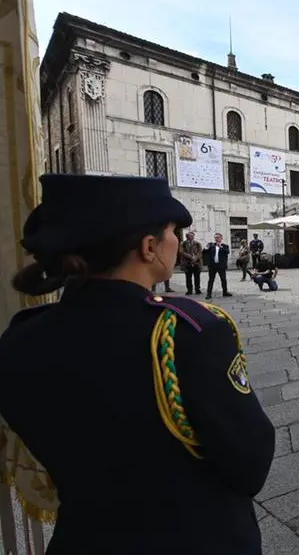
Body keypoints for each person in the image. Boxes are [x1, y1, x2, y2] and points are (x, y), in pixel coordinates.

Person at [0, 174, 275, 553]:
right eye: (173, 230)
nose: (178, 240)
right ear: (149, 247)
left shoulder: (20, 338)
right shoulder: (189, 332)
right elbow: (250, 462)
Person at [204, 233, 232, 299]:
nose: (217, 239)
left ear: (221, 238)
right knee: (211, 280)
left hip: (221, 266)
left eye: (218, 237)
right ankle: (209, 294)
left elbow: (227, 252)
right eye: (215, 237)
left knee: (223, 279)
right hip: (212, 266)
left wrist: (220, 247)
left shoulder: (225, 246)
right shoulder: (211, 245)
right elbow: (205, 252)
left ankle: (225, 292)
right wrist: (206, 248)